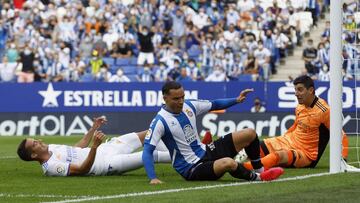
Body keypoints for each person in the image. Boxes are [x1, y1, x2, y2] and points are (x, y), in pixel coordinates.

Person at [142, 81, 284, 184]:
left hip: (206, 151)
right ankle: (259, 178)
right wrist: (153, 178)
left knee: (250, 133)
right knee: (229, 163)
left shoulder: (189, 105)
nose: (181, 101)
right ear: (165, 98)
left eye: (182, 97)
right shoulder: (160, 121)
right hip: (191, 168)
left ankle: (260, 170)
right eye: (176, 99)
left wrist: (236, 100)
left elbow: (214, 104)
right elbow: (147, 151)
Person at [243, 75, 349, 169]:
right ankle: (237, 161)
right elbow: (296, 125)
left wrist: (343, 159)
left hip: (306, 154)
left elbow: (341, 134)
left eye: (300, 90)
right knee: (258, 146)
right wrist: (284, 138)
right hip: (290, 141)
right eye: (295, 90)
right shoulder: (300, 106)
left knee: (278, 156)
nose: (296, 93)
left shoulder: (324, 110)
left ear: (311, 90)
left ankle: (242, 168)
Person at [17, 116, 171, 176]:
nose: (38, 140)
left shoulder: (52, 148)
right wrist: (95, 147)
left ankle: (183, 154)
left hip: (106, 149)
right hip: (105, 164)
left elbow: (78, 148)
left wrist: (93, 129)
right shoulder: (50, 167)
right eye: (34, 143)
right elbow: (83, 169)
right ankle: (189, 160)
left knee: (148, 134)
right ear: (33, 155)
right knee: (151, 155)